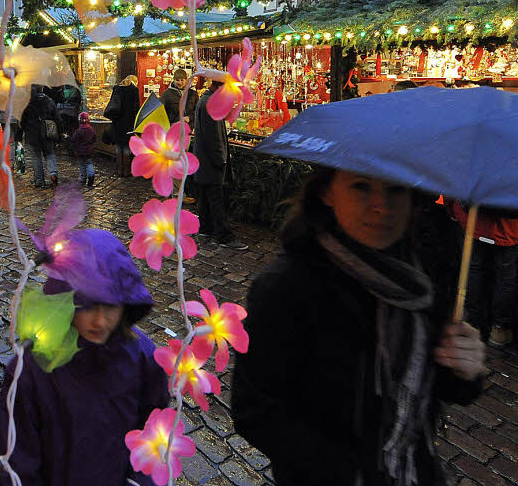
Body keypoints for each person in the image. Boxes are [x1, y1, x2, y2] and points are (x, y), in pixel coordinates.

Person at [232, 168, 487, 486]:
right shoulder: (286, 287)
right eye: (361, 187)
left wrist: (465, 370)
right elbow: (254, 410)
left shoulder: (422, 276)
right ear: (327, 193)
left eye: (395, 189)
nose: (381, 205)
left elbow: (439, 385)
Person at [0, 230, 169, 486]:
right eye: (86, 305)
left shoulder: (143, 358)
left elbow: (155, 429)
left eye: (110, 306)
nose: (99, 320)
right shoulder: (31, 370)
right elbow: (16, 459)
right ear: (64, 300)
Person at [451, 202, 517, 347]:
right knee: (505, 278)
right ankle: (499, 329)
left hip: (472, 219)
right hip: (509, 228)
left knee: (472, 271)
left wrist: (452, 209)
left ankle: (472, 324)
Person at [193, 81, 247, 250]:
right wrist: (221, 159)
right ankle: (224, 236)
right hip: (211, 161)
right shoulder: (211, 104)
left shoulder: (205, 101)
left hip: (204, 160)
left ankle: (206, 227)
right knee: (217, 199)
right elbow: (214, 138)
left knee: (207, 196)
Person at [20, 85, 59, 187]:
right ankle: (53, 173)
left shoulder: (27, 103)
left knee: (36, 157)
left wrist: (24, 130)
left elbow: (23, 120)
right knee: (49, 153)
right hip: (47, 132)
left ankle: (39, 180)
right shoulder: (49, 101)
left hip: (32, 133)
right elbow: (57, 117)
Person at [103, 75, 139, 177]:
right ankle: (126, 170)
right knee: (127, 147)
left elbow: (112, 104)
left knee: (118, 147)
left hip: (117, 121)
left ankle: (119, 170)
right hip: (128, 122)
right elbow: (136, 107)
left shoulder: (116, 89)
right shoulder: (134, 90)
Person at [71, 111, 97, 187]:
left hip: (80, 151)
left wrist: (67, 137)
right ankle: (91, 175)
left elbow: (74, 139)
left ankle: (83, 178)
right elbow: (94, 138)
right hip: (89, 150)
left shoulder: (79, 130)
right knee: (89, 163)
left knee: (82, 164)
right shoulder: (91, 129)